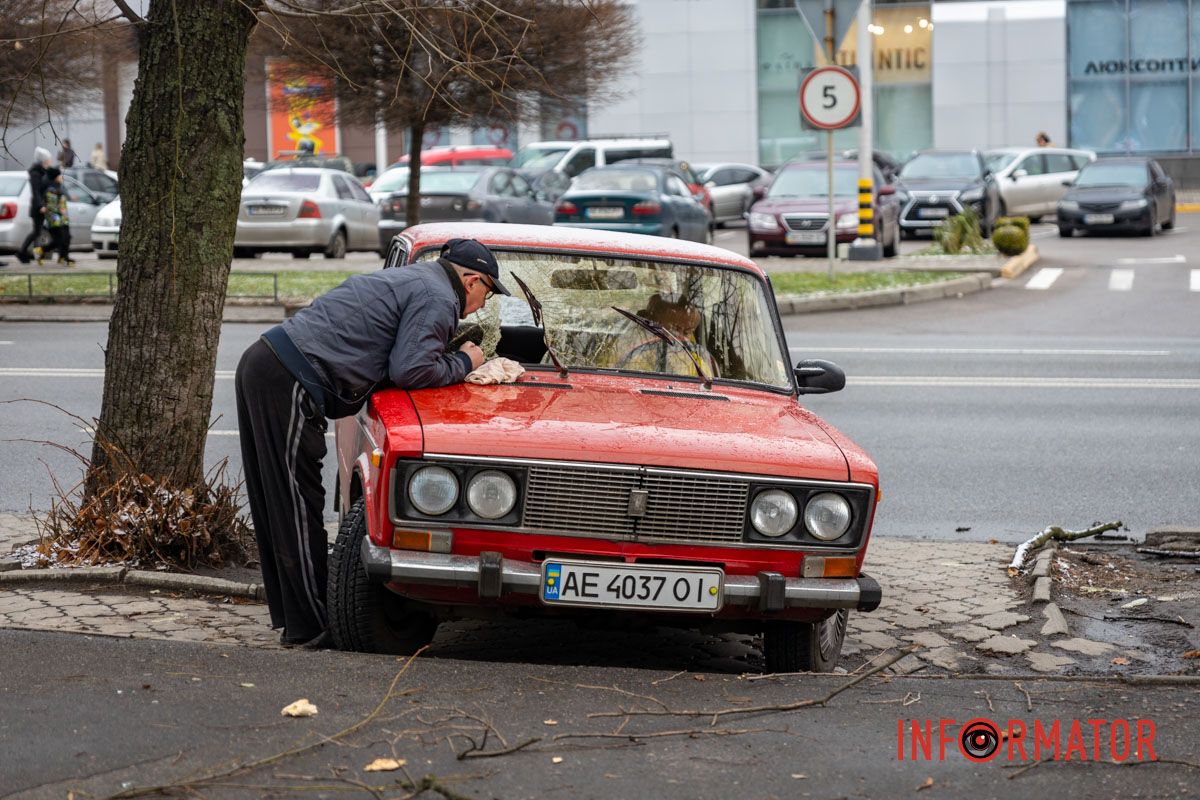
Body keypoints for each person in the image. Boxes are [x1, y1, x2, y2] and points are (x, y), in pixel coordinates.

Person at [235, 238, 509, 648]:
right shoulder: (439, 297)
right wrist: (468, 361)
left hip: (268, 365)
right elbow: (411, 369)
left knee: (279, 502)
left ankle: (296, 622)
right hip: (288, 379)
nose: (484, 304)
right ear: (471, 279)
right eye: (487, 291)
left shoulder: (419, 279)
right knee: (296, 504)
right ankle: (312, 628)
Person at [617, 292, 718, 378]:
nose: (681, 337)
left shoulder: (698, 360)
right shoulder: (634, 353)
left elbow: (707, 386)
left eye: (687, 332)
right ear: (655, 323)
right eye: (674, 329)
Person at [16, 147, 53, 265]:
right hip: (38, 208)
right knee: (37, 232)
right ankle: (23, 253)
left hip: (42, 207)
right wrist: (41, 205)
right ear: (43, 161)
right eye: (48, 160)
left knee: (38, 232)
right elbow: (36, 191)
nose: (49, 162)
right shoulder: (36, 174)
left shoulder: (42, 172)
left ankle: (33, 255)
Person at [41, 168, 74, 267]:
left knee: (67, 237)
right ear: (55, 177)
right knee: (59, 240)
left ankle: (64, 257)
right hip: (55, 219)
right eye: (59, 175)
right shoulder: (51, 189)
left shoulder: (59, 187)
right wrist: (61, 212)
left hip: (63, 217)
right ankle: (42, 250)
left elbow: (62, 202)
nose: (61, 177)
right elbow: (51, 206)